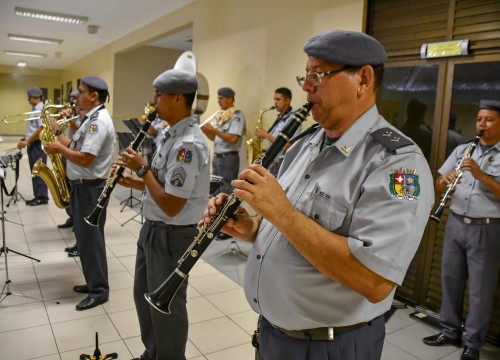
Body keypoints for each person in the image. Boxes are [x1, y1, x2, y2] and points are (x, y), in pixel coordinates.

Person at [201, 29, 434, 360]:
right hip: (274, 334)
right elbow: (298, 230)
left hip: (330, 346)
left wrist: (280, 212)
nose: (307, 87)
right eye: (305, 75)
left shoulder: (397, 165)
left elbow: (375, 280)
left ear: (363, 79)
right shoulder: (309, 143)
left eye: (319, 75)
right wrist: (252, 227)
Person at [117, 68, 210, 360]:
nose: (153, 101)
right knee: (143, 297)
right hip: (154, 229)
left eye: (159, 95)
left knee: (166, 306)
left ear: (178, 98)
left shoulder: (188, 146)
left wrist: (141, 170)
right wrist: (134, 180)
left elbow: (172, 204)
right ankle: (153, 353)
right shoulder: (171, 135)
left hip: (172, 234)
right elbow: (161, 183)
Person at [422, 100, 500, 360]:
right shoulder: (464, 148)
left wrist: (481, 176)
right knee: (450, 280)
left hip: (486, 228)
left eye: (488, 119)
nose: (482, 124)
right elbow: (437, 183)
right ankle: (449, 330)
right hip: (455, 223)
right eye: (480, 119)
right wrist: (444, 181)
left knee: (480, 289)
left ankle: (473, 344)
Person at [44, 76, 115, 311]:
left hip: (90, 188)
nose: (77, 95)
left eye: (81, 91)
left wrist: (59, 148)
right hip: (83, 187)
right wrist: (57, 132)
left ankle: (99, 291)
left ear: (94, 96)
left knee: (91, 241)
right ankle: (93, 282)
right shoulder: (89, 120)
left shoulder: (98, 123)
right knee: (85, 242)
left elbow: (85, 159)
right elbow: (76, 146)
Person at [201, 87, 245, 240]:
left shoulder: (236, 115)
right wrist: (208, 131)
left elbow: (233, 139)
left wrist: (214, 130)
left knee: (226, 191)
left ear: (230, 99)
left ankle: (227, 228)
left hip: (229, 158)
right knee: (216, 191)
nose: (218, 101)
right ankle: (216, 224)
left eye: (221, 98)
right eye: (218, 98)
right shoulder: (222, 115)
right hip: (219, 157)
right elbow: (215, 139)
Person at [255, 87, 300, 177]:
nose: (275, 103)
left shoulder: (293, 120)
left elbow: (289, 146)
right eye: (274, 99)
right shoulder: (280, 118)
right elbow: (275, 141)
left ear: (287, 100)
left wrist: (266, 135)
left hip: (282, 163)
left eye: (278, 99)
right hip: (273, 163)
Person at [17, 87, 49, 206]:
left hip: (37, 145)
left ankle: (41, 197)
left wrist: (28, 141)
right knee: (35, 171)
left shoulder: (40, 109)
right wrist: (26, 139)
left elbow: (41, 128)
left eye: (29, 97)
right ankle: (39, 195)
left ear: (36, 97)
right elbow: (33, 128)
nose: (28, 99)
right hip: (33, 143)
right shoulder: (35, 109)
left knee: (38, 171)